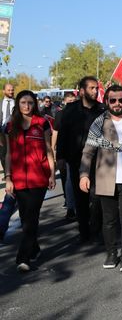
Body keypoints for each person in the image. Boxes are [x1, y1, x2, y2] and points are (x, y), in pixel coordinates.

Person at [80, 85, 122, 273]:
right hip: (106, 179)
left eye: (121, 100)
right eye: (113, 100)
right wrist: (84, 174)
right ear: (107, 101)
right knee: (109, 221)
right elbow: (88, 151)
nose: (117, 103)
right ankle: (111, 253)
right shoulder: (99, 123)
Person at [4, 90, 56, 272]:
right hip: (18, 179)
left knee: (31, 218)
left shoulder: (43, 124)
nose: (27, 106)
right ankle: (34, 248)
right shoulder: (10, 126)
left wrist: (51, 174)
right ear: (18, 104)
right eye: (23, 103)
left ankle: (22, 258)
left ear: (35, 104)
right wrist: (8, 177)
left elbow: (49, 150)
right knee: (26, 217)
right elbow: (9, 154)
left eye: (30, 103)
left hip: (38, 178)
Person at [56, 76, 105, 244]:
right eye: (92, 88)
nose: (95, 91)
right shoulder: (69, 110)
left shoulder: (101, 110)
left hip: (98, 161)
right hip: (76, 160)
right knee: (81, 198)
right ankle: (84, 231)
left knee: (97, 197)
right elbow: (62, 134)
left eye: (96, 88)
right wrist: (60, 157)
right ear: (82, 91)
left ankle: (96, 229)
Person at [52, 91, 79, 220]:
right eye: (69, 101)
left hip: (80, 151)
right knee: (68, 179)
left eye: (73, 101)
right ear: (64, 101)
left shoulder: (81, 114)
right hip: (66, 152)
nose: (71, 103)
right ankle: (70, 206)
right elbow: (56, 132)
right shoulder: (60, 114)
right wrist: (53, 149)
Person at [0, 83, 15, 170]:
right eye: (9, 90)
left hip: (15, 133)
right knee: (3, 155)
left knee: (15, 155)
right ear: (3, 91)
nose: (11, 92)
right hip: (2, 133)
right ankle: (7, 174)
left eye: (12, 90)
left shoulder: (18, 102)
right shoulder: (0, 103)